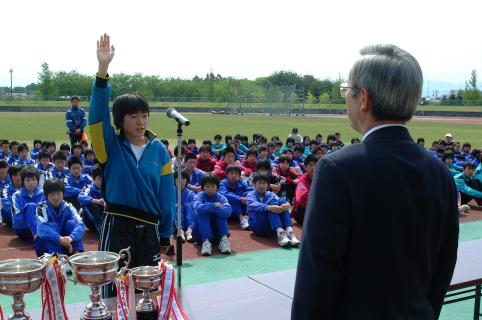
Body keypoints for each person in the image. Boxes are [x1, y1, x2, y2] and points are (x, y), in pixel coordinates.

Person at [292, 44, 459, 319]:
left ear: (364, 98)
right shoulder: (438, 171)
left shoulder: (338, 169)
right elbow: (444, 264)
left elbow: (318, 277)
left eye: (347, 89)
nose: (346, 96)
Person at [89, 34, 175, 298]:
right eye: (134, 116)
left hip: (149, 230)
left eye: (145, 115)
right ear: (120, 120)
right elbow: (96, 116)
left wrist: (165, 233)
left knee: (147, 295)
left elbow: (167, 196)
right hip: (117, 227)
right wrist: (103, 71)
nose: (141, 121)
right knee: (114, 293)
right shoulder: (109, 147)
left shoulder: (160, 150)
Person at [35, 179, 85, 257]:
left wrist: (71, 238)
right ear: (46, 195)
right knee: (52, 226)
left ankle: (77, 255)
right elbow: (42, 228)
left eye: (58, 193)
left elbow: (81, 224)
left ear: (63, 194)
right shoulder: (41, 208)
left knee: (72, 224)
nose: (56, 197)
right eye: (52, 194)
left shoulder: (68, 206)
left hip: (67, 245)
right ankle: (58, 259)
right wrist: (59, 239)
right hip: (46, 248)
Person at [246, 173, 299, 247]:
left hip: (272, 227)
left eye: (264, 183)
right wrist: (269, 207)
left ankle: (290, 233)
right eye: (259, 183)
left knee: (283, 206)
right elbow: (256, 205)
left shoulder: (270, 194)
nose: (261, 186)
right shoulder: (250, 195)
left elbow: (280, 200)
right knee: (272, 206)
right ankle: (280, 234)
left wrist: (286, 204)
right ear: (254, 184)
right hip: (258, 226)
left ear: (268, 185)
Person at [192, 173, 232, 256]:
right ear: (203, 187)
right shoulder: (198, 196)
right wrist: (213, 206)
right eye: (207, 186)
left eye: (213, 186)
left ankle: (224, 240)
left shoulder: (221, 197)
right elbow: (198, 208)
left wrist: (214, 209)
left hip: (217, 234)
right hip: (200, 235)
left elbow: (228, 211)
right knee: (203, 213)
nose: (210, 189)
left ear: (217, 187)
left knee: (221, 213)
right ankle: (206, 242)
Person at [11, 166, 45, 241]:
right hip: (23, 227)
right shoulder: (16, 195)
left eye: (33, 180)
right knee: (30, 206)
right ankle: (37, 235)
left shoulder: (43, 194)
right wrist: (30, 218)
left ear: (37, 181)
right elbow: (16, 218)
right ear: (23, 182)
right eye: (28, 180)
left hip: (40, 225)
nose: (31, 183)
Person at [219, 165, 254, 230]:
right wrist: (240, 198)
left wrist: (245, 197)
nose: (234, 175)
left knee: (249, 195)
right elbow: (224, 194)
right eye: (231, 173)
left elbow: (251, 190)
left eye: (236, 174)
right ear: (227, 175)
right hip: (229, 211)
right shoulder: (222, 183)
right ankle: (242, 218)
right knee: (228, 199)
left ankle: (246, 217)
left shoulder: (241, 182)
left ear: (239, 176)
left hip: (242, 208)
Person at [291, 154, 318, 224]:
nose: (314, 167)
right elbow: (301, 197)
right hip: (301, 212)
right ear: (305, 167)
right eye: (310, 165)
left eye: (316, 165)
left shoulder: (321, 178)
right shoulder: (303, 179)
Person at [78, 164, 105, 234]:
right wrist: (96, 201)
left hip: (105, 217)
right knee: (90, 204)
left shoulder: (109, 188)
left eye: (104, 179)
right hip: (91, 221)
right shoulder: (88, 187)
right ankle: (101, 229)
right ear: (93, 178)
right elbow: (80, 197)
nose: (102, 182)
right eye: (100, 178)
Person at [173, 170, 195, 242]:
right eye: (178, 178)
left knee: (189, 206)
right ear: (174, 180)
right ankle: (180, 230)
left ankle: (189, 230)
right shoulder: (170, 192)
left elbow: (194, 207)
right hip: (174, 221)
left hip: (188, 219)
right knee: (176, 206)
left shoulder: (191, 193)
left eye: (183, 178)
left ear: (187, 180)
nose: (181, 181)